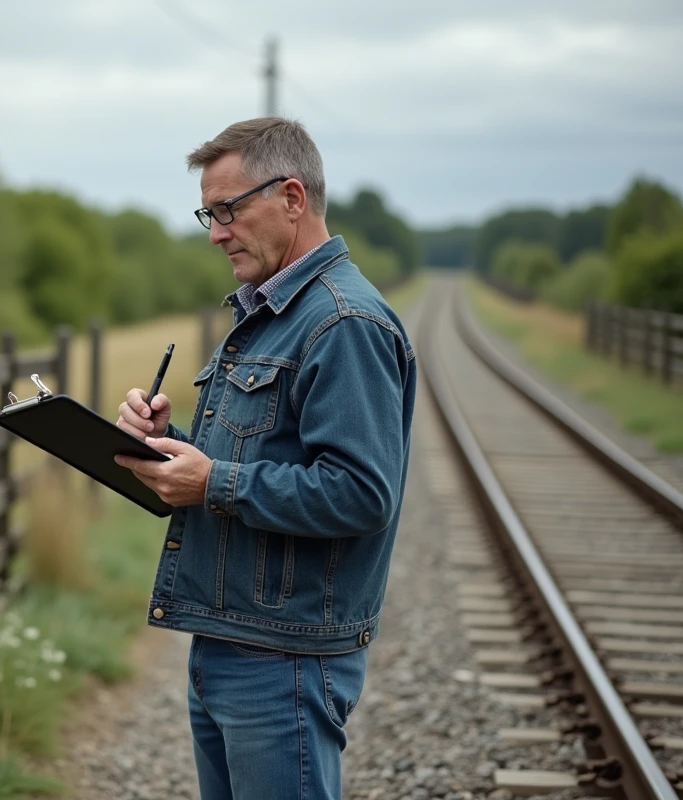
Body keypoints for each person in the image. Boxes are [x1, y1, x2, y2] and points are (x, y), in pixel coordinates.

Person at [113, 117, 416, 800]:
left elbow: (362, 494)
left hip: (285, 657)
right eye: (207, 214)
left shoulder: (344, 323)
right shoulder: (275, 311)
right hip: (234, 640)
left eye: (227, 209)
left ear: (292, 198)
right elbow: (264, 456)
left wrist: (211, 479)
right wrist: (175, 446)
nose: (216, 232)